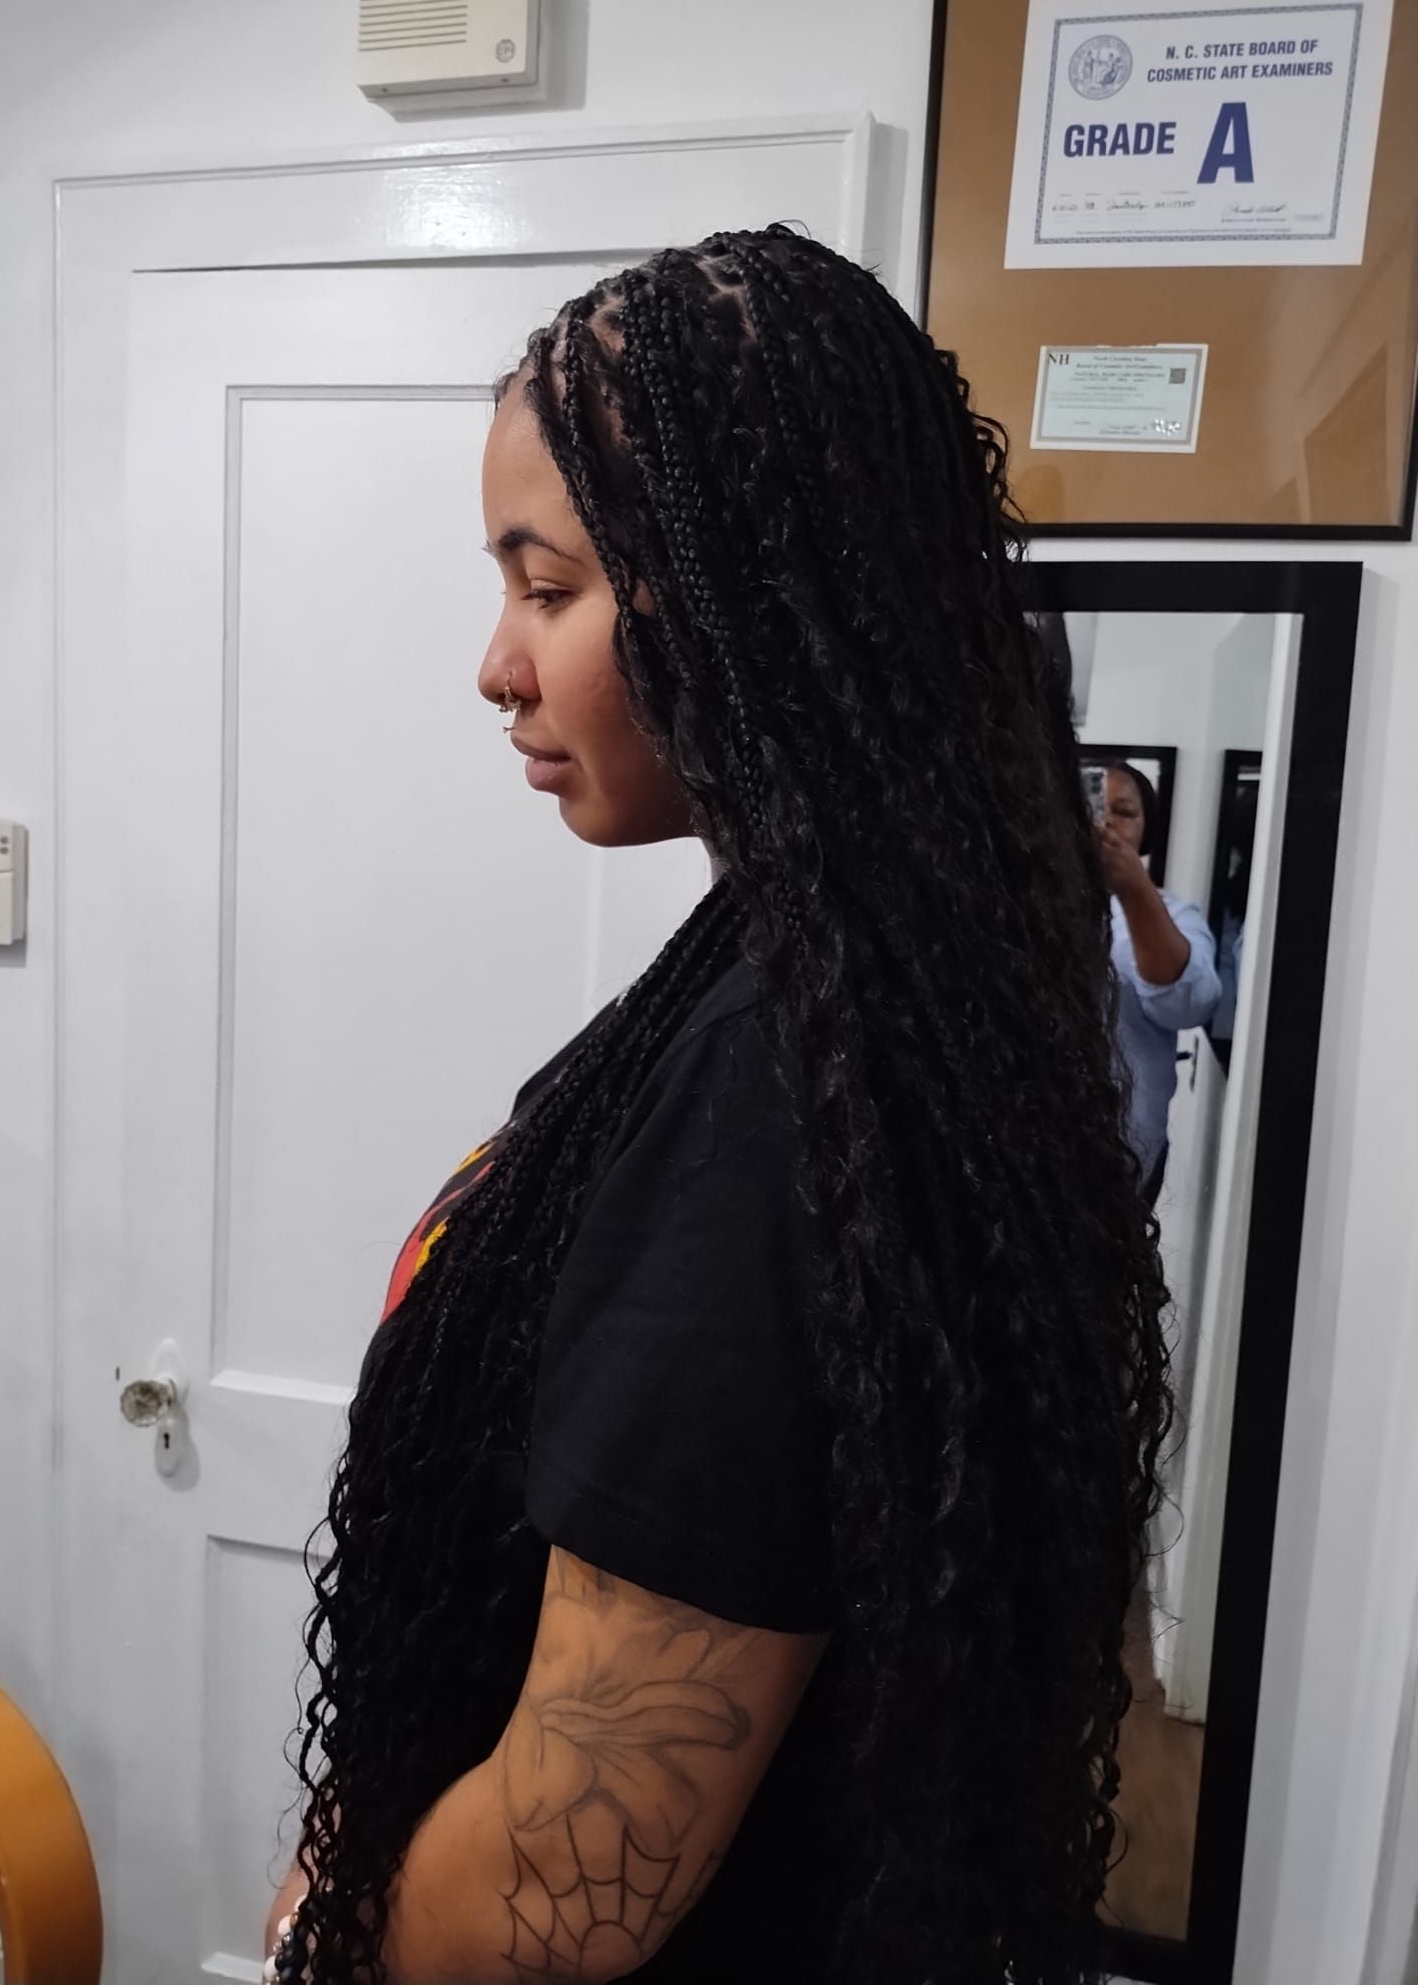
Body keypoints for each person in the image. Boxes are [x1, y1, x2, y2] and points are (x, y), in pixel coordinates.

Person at [269, 228, 1173, 1985]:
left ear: (746, 595)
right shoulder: (899, 976)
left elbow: (562, 1884)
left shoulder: (775, 1085)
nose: (497, 665)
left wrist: (345, 1915)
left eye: (548, 587)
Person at [1095, 763, 1222, 1206]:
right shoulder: (1017, 904)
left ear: (1146, 829)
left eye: (1124, 811)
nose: (1107, 821)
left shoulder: (1175, 915)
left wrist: (1132, 889)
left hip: (1122, 1163)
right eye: (1094, 805)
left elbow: (1193, 1003)